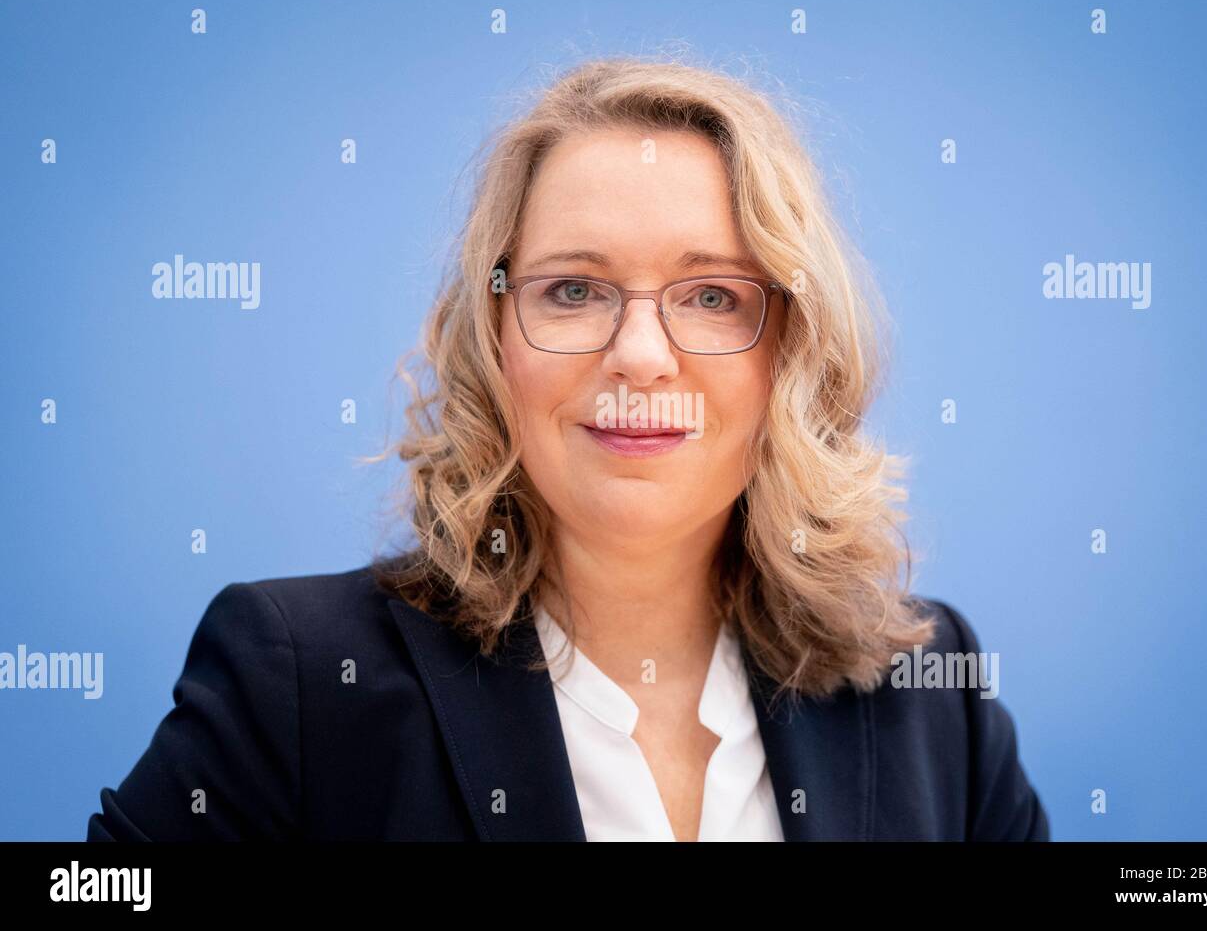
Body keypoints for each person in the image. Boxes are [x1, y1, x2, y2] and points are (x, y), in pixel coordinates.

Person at [87, 56, 1049, 842]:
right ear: (493, 339)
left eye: (713, 295)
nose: (639, 355)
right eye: (574, 291)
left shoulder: (926, 694)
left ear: (791, 351)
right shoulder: (296, 680)